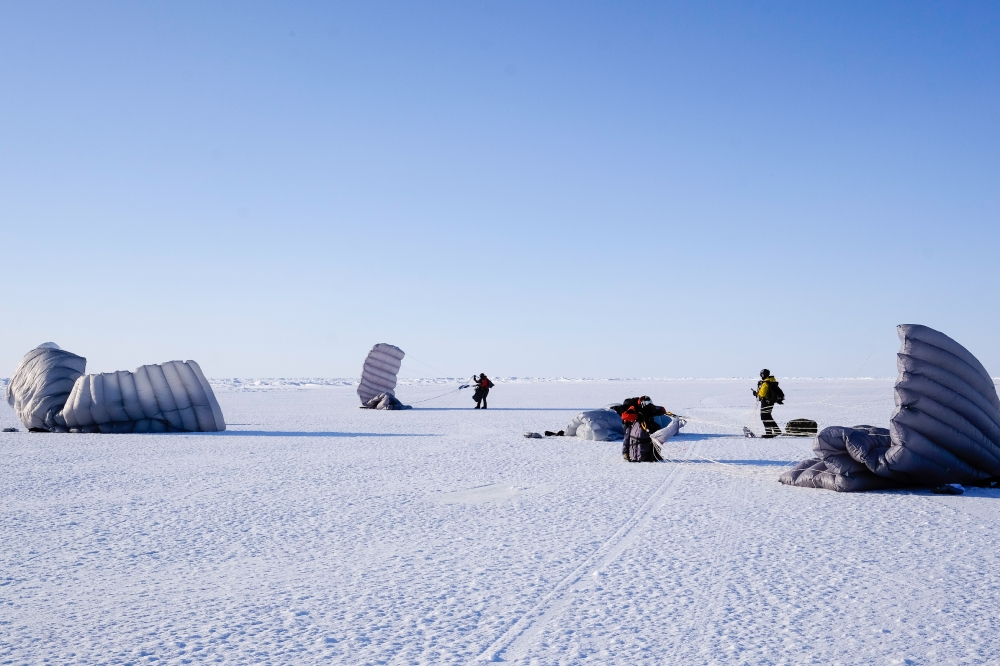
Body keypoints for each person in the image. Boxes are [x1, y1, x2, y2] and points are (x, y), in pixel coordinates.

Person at [753, 369, 784, 438]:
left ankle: (769, 433)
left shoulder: (766, 382)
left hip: (766, 402)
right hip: (770, 402)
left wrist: (756, 394)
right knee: (768, 416)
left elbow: (762, 394)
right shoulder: (771, 381)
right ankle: (776, 430)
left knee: (764, 416)